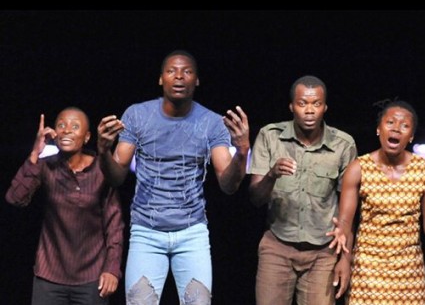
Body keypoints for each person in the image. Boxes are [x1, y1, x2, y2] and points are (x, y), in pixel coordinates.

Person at [96, 50, 250, 305]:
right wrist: (103, 151)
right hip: (146, 230)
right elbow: (116, 178)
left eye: (187, 71)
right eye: (172, 71)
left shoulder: (211, 122)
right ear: (161, 79)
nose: (179, 77)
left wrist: (242, 150)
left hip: (192, 232)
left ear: (197, 80)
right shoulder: (137, 115)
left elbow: (228, 185)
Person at [327, 99, 425, 304]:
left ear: (410, 136)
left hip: (409, 273)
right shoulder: (359, 168)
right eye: (390, 123)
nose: (396, 129)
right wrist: (343, 247)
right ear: (378, 129)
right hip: (367, 271)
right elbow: (347, 221)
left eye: (404, 126)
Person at [248, 75, 357, 305]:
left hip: (323, 253)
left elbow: (349, 209)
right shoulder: (270, 136)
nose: (309, 110)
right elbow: (255, 198)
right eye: (302, 103)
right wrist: (272, 175)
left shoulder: (343, 145)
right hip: (278, 246)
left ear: (325, 107)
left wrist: (346, 259)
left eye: (316, 104)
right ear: (292, 106)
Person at [5, 108, 124, 305]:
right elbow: (15, 198)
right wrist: (35, 153)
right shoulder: (46, 166)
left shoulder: (101, 170)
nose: (66, 130)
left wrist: (111, 269)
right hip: (49, 275)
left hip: (91, 276)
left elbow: (114, 225)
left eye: (75, 127)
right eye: (61, 125)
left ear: (86, 137)